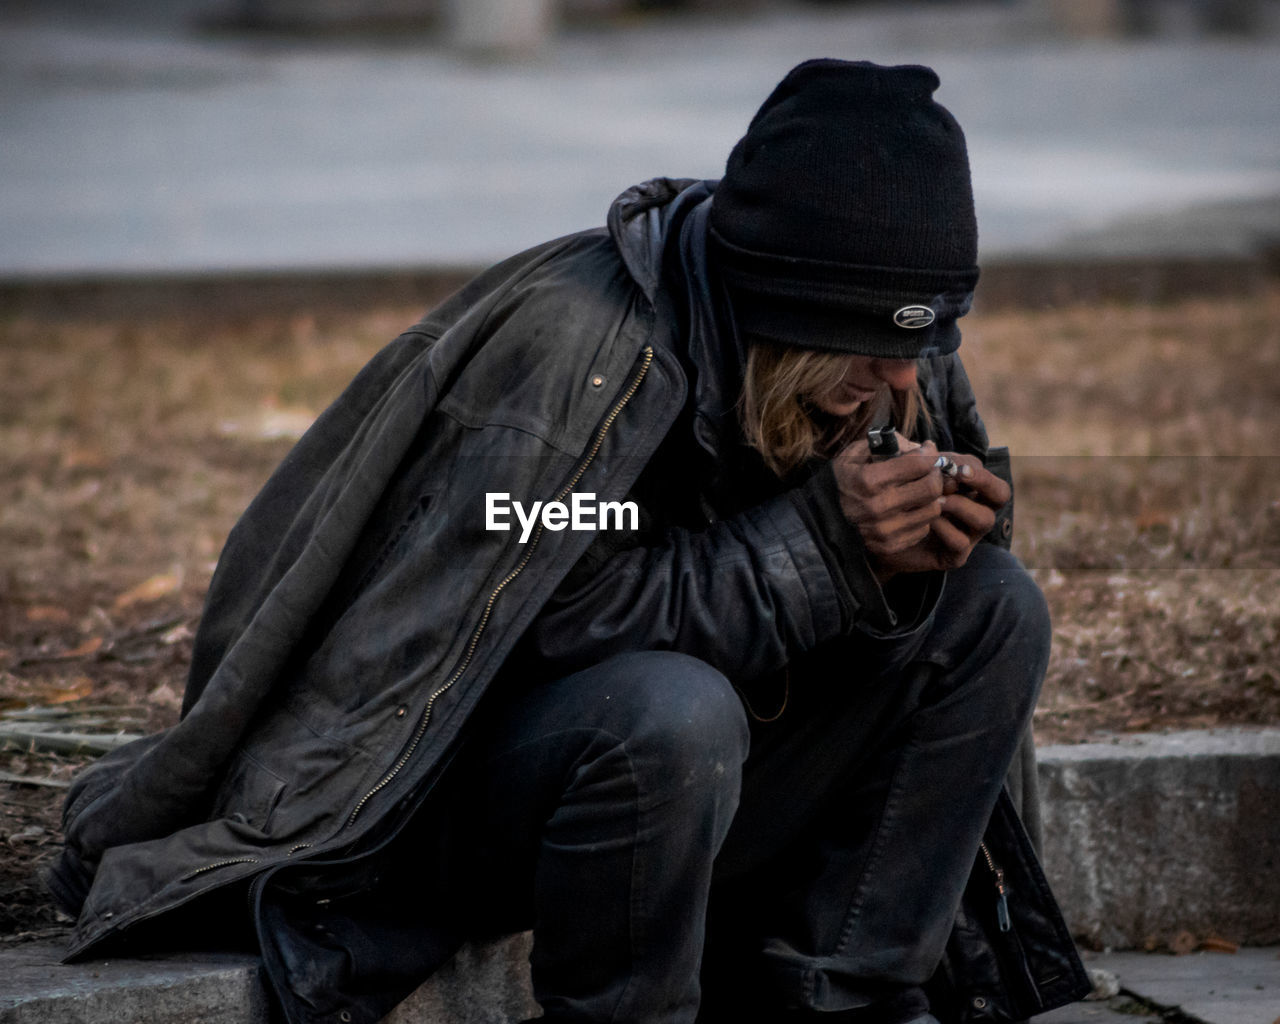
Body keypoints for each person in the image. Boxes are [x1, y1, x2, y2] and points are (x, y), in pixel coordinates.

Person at [48, 59, 1089, 1024]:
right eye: (868, 350)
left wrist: (937, 535)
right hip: (450, 797)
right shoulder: (577, 355)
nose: (901, 383)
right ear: (776, 308)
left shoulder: (887, 355)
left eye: (919, 347)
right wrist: (819, 551)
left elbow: (909, 594)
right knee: (668, 711)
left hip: (702, 791)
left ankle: (833, 999)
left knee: (992, 607)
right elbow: (548, 609)